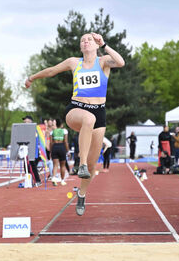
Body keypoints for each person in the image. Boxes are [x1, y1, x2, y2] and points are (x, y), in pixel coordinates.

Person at [25, 32, 125, 216]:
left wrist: (105, 44)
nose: (86, 42)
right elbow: (52, 71)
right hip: (76, 109)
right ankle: (81, 163)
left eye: (89, 40)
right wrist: (32, 77)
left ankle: (82, 193)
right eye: (82, 40)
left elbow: (121, 62)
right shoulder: (74, 62)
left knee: (94, 164)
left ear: (96, 45)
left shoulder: (103, 61)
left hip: (99, 112)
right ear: (81, 47)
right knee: (88, 119)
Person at [22, 115, 42, 187]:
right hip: (27, 151)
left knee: (32, 167)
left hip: (33, 152)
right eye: (24, 121)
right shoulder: (26, 130)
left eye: (26, 120)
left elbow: (35, 140)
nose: (24, 122)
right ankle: (31, 181)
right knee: (26, 167)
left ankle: (37, 181)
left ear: (30, 121)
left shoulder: (34, 129)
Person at [50, 119, 69, 186]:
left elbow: (51, 142)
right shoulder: (64, 131)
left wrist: (50, 151)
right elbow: (66, 142)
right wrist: (68, 151)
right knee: (62, 165)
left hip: (54, 147)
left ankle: (54, 178)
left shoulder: (52, 132)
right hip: (61, 147)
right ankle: (62, 180)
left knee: (55, 165)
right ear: (61, 125)